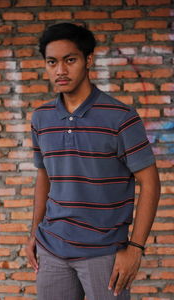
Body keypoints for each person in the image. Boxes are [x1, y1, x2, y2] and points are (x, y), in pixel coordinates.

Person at [25, 23, 160, 300]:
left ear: (88, 60)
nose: (60, 70)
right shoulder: (41, 118)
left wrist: (135, 248)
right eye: (52, 62)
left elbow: (150, 183)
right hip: (52, 249)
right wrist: (33, 233)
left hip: (105, 253)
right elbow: (44, 176)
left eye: (69, 60)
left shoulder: (121, 117)